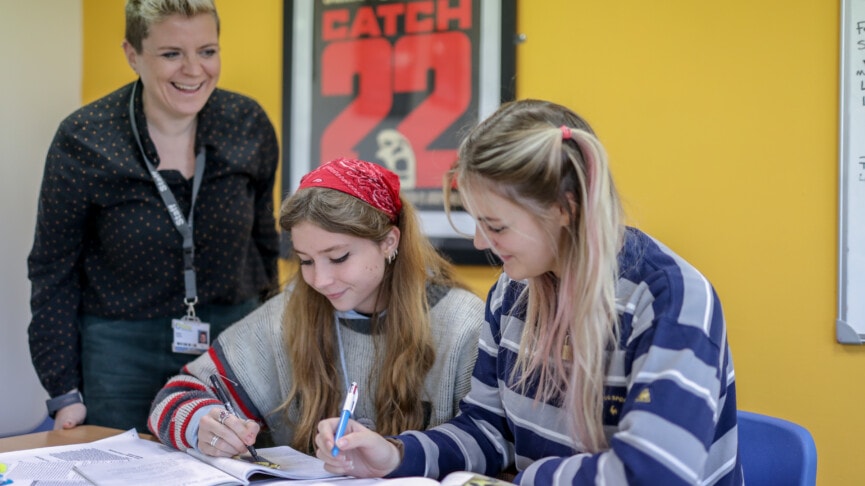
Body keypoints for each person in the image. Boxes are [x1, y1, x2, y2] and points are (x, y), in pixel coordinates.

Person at [313, 100, 744, 485]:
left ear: (565, 209)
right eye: (477, 222)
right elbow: (488, 429)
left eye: (496, 226)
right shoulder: (512, 290)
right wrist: (395, 455)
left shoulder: (670, 300)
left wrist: (532, 477)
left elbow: (654, 473)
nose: (481, 242)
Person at [27, 0, 280, 433]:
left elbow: (265, 242)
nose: (194, 70)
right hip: (121, 346)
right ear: (132, 55)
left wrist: (277, 348)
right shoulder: (85, 137)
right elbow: (53, 270)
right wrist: (64, 390)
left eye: (207, 51)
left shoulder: (247, 123)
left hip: (230, 340)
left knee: (232, 466)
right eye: (171, 54)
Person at [148, 157, 485, 457]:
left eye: (338, 257)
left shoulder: (462, 324)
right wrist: (201, 424)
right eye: (305, 260)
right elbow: (174, 397)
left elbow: (492, 444)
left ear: (388, 242)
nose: (320, 280)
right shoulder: (291, 312)